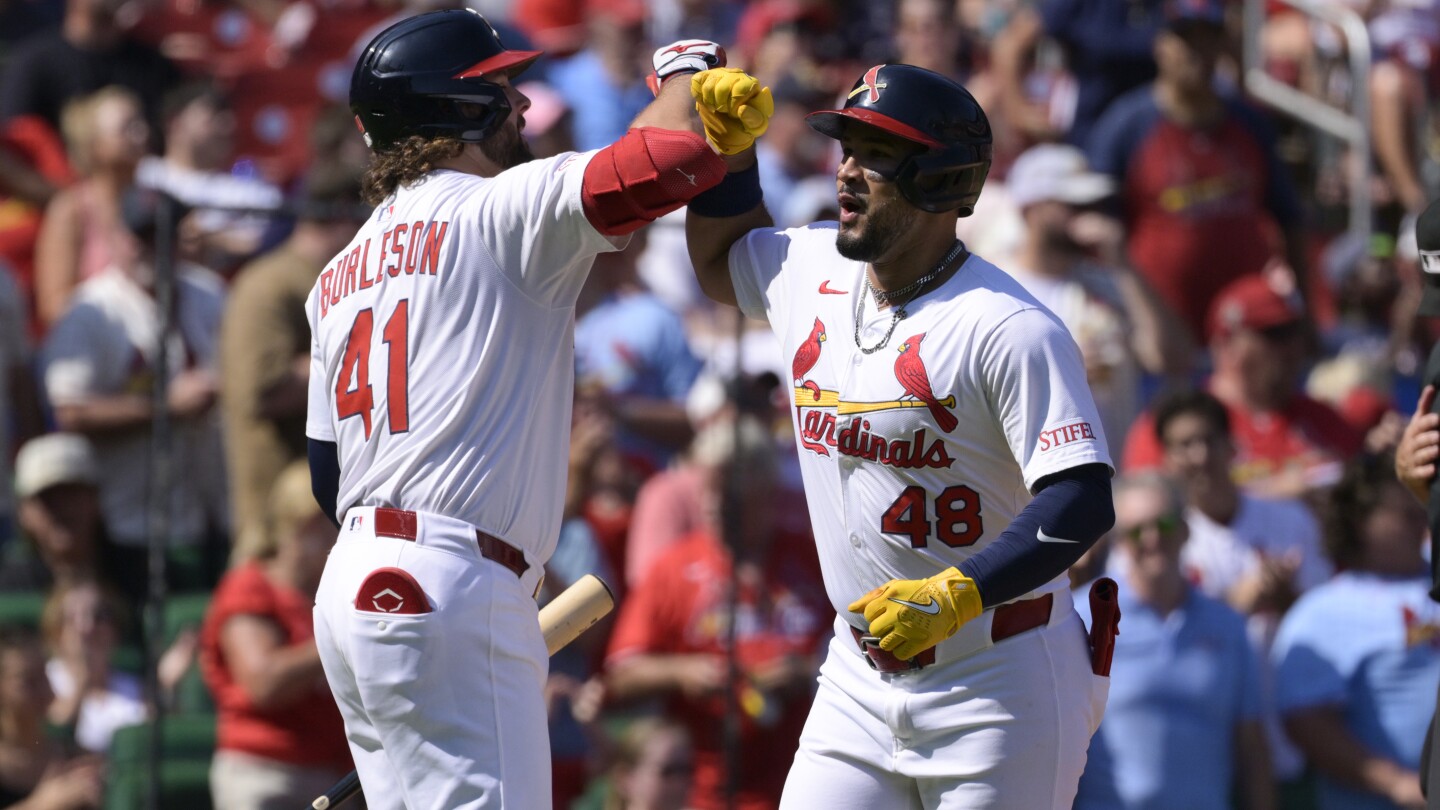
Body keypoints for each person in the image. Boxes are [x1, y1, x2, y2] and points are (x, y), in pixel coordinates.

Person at [305, 11, 743, 807]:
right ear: (456, 108)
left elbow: (324, 473)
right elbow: (677, 153)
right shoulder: (498, 209)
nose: (522, 108)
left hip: (353, 591)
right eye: (501, 90)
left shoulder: (335, 273)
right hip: (452, 580)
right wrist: (689, 63)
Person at [684, 61, 1116, 808]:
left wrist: (961, 591)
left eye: (877, 155)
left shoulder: (1007, 327)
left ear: (942, 180)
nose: (847, 172)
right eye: (846, 147)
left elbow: (1082, 499)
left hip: (998, 673)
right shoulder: (810, 267)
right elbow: (722, 264)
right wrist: (731, 158)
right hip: (857, 672)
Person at [604, 416, 829, 810]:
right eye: (704, 489)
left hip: (804, 780)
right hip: (701, 790)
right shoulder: (673, 568)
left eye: (725, 491)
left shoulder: (811, 561)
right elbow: (621, 672)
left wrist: (807, 674)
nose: (710, 503)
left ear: (763, 492)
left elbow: (866, 653)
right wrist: (684, 671)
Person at [1085, 0, 1307, 344]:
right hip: (1162, 336)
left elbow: (1290, 220)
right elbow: (1101, 233)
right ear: (1160, 45)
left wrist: (1305, 316)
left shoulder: (1250, 124)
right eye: (1187, 39)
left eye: (1209, 38)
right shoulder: (1127, 126)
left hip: (1244, 336)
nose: (1198, 52)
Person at [1074, 473, 1273, 810]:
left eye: (1163, 524)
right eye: (1136, 531)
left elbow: (1251, 747)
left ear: (1185, 530)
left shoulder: (1227, 626)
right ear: (1120, 541)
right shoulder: (1080, 617)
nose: (1152, 539)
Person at [1273, 455, 1438, 810]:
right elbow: (1307, 721)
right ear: (1362, 522)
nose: (1421, 522)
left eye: (1422, 509)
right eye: (1405, 514)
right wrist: (1399, 784)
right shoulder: (1322, 613)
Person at [220, 164, 365, 564]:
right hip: (274, 532)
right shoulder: (269, 283)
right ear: (339, 211)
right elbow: (263, 391)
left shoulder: (338, 278)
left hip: (326, 521)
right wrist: (369, 355)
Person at [199, 461, 352, 810]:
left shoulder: (333, 594)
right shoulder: (249, 587)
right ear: (304, 527)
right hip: (266, 776)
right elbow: (263, 682)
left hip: (331, 774)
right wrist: (341, 638)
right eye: (332, 525)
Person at [0, 624, 104, 810]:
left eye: (44, 675)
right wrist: (41, 804)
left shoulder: (71, 754)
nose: (44, 689)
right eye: (29, 680)